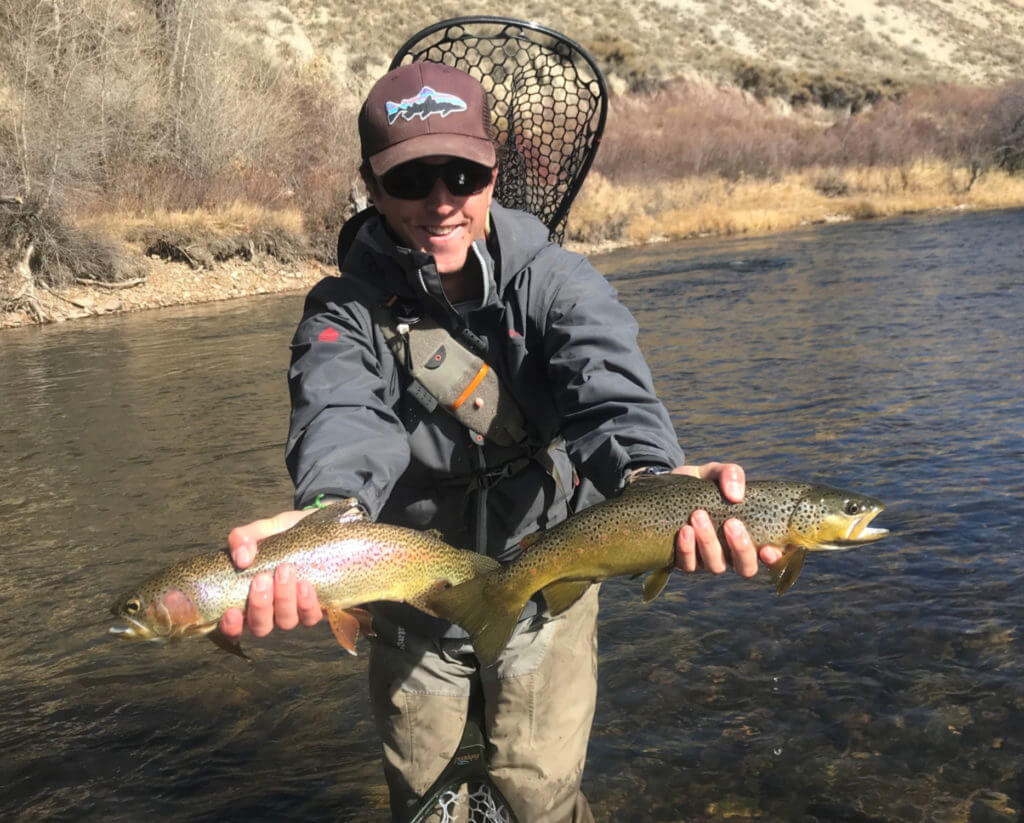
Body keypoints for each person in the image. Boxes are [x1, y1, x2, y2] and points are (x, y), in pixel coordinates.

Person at [218, 61, 781, 822]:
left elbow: (608, 391)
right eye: (414, 178)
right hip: (412, 602)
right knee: (427, 804)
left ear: (493, 172)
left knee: (539, 798)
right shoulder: (343, 308)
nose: (442, 200)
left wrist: (653, 478)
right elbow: (341, 408)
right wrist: (330, 513)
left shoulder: (555, 281)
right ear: (373, 187)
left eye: (464, 172)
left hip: (547, 580)